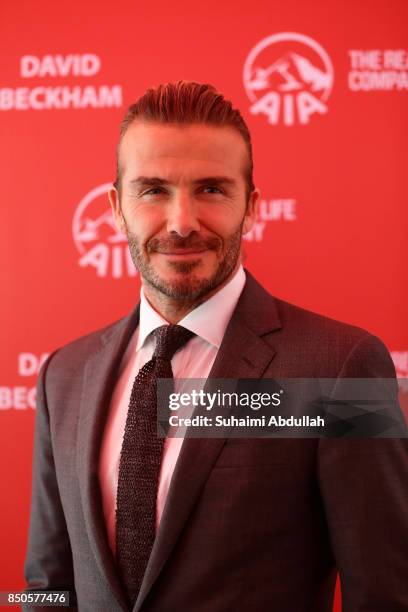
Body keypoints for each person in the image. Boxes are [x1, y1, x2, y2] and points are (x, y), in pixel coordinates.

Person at [24, 81, 408, 612]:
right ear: (116, 208)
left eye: (211, 189)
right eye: (154, 190)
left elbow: (386, 594)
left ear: (250, 208)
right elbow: (44, 587)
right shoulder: (63, 376)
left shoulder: (344, 367)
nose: (182, 223)